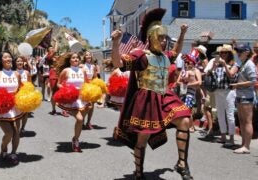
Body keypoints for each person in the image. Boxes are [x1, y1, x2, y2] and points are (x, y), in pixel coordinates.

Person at [111, 8, 193, 180]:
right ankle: (139, 172)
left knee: (185, 119)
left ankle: (182, 164)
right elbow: (118, 63)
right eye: (160, 37)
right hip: (147, 99)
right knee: (142, 138)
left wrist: (182, 33)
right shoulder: (140, 55)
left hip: (165, 95)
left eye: (165, 38)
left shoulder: (165, 57)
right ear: (151, 38)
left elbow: (176, 51)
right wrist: (116, 43)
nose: (163, 41)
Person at [0, 52, 25, 164]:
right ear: (1, 60)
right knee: (9, 133)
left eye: (10, 57)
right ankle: (3, 147)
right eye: (5, 57)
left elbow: (21, 89)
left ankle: (13, 153)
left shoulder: (17, 74)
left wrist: (23, 98)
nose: (9, 59)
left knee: (16, 132)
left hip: (15, 107)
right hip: (2, 108)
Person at [56, 52, 90, 152]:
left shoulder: (82, 71)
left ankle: (76, 139)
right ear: (70, 60)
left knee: (81, 120)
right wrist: (67, 90)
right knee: (79, 119)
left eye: (77, 58)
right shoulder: (66, 71)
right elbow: (58, 84)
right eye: (73, 58)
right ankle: (75, 140)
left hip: (82, 98)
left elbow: (85, 84)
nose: (76, 59)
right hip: (71, 99)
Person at [205, 45, 238, 146]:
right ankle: (223, 136)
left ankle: (231, 138)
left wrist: (224, 65)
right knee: (220, 114)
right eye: (221, 53)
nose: (223, 54)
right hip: (218, 91)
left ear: (229, 54)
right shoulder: (217, 64)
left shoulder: (234, 64)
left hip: (228, 91)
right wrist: (214, 66)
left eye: (225, 52)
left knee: (230, 114)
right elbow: (208, 74)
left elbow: (231, 75)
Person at [230, 44, 256, 154]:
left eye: (240, 51)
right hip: (240, 95)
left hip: (246, 96)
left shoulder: (249, 64)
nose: (238, 53)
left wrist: (238, 85)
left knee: (247, 121)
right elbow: (232, 73)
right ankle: (243, 144)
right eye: (237, 51)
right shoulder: (242, 63)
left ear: (246, 52)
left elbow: (253, 81)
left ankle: (247, 146)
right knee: (241, 120)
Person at [176, 54, 202, 133]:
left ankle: (191, 127)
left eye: (188, 61)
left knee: (188, 109)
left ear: (192, 62)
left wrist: (188, 85)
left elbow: (199, 82)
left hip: (191, 92)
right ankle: (188, 125)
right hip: (183, 92)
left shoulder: (196, 71)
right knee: (185, 110)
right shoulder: (183, 71)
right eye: (185, 61)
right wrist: (182, 84)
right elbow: (177, 82)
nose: (186, 63)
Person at [80, 51, 98, 129]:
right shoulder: (81, 66)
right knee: (85, 105)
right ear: (84, 57)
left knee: (92, 106)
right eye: (86, 55)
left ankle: (88, 122)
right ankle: (82, 121)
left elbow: (95, 77)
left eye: (89, 55)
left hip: (92, 86)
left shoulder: (93, 66)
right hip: (84, 86)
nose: (88, 56)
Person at [14, 56, 32, 136]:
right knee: (16, 112)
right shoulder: (13, 73)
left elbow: (30, 84)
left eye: (21, 61)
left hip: (25, 95)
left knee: (25, 113)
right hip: (16, 94)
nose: (19, 62)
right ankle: (16, 128)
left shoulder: (27, 73)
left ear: (23, 62)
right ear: (15, 63)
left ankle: (23, 128)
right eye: (18, 61)